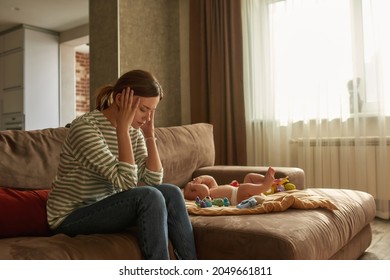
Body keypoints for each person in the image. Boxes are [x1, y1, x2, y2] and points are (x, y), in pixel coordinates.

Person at [46, 69, 197, 260]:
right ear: (120, 100)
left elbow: (153, 179)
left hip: (106, 207)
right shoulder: (85, 128)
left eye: (152, 111)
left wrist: (150, 135)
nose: (147, 118)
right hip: (71, 217)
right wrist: (122, 131)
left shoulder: (135, 132)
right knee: (149, 196)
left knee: (172, 192)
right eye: (143, 109)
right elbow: (126, 182)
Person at [183, 167, 276, 206]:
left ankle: (264, 179)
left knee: (249, 176)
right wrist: (196, 185)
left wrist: (200, 178)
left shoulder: (213, 188)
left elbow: (210, 179)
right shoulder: (207, 196)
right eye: (192, 189)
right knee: (244, 188)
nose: (193, 183)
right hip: (237, 198)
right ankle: (265, 186)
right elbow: (204, 190)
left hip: (239, 191)